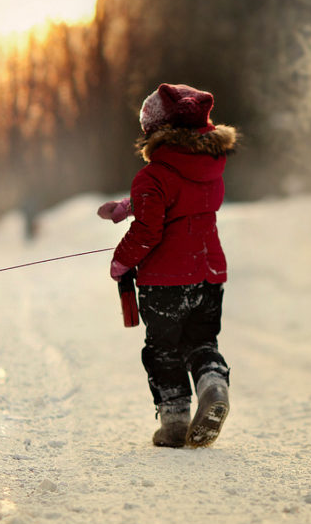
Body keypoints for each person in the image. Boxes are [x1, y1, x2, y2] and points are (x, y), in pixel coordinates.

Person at [97, 83, 237, 448]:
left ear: (156, 131)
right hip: (209, 274)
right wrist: (126, 207)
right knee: (201, 341)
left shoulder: (151, 176)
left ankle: (175, 423)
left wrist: (120, 261)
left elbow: (148, 229)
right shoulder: (211, 167)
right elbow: (180, 193)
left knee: (164, 348)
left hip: (165, 281)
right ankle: (213, 383)